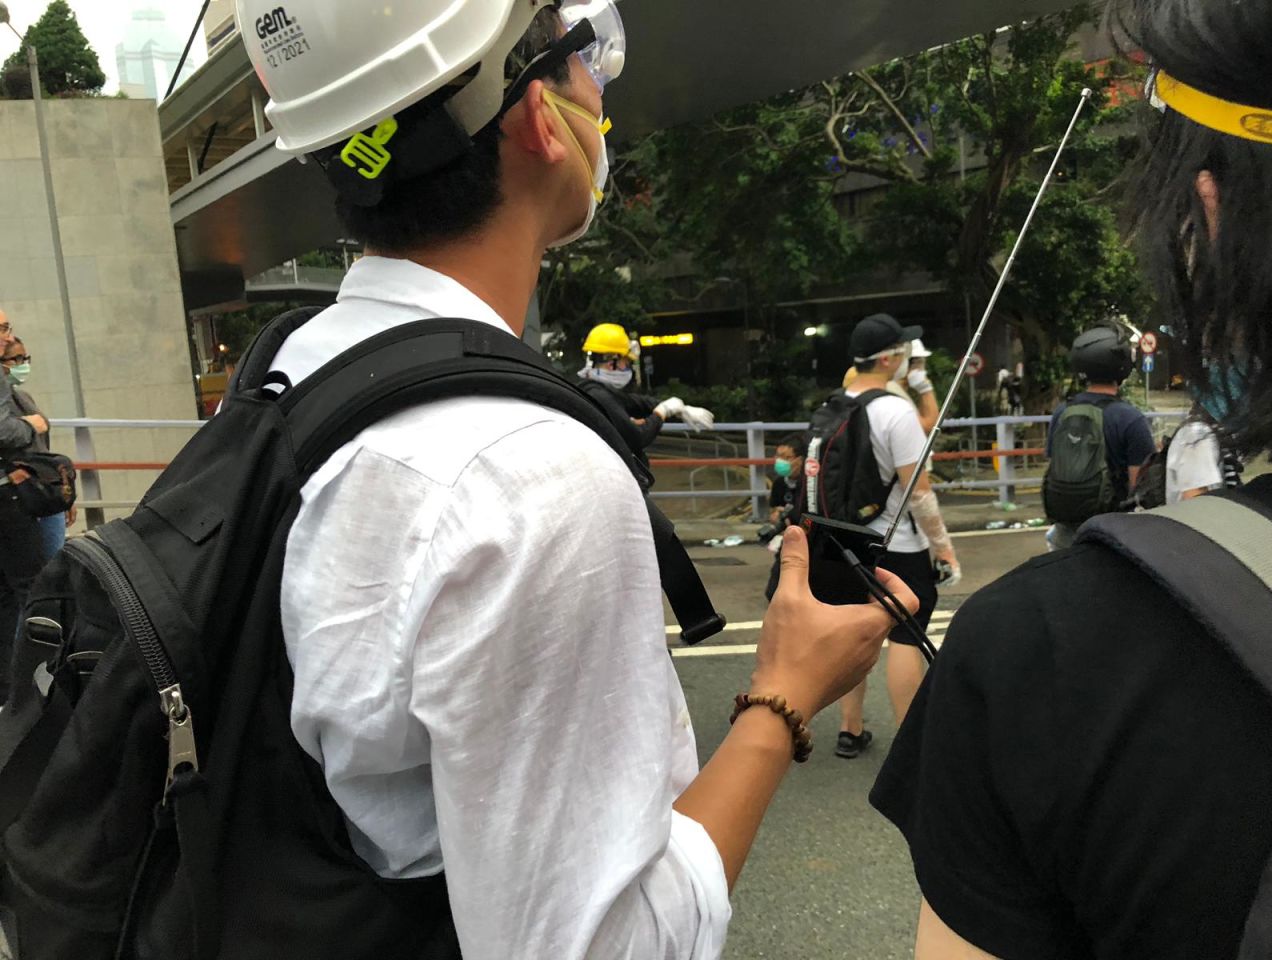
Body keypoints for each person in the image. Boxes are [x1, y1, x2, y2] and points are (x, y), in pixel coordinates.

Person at [237, 1, 918, 955]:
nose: (604, 92)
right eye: (589, 56)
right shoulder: (524, 477)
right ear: (532, 116)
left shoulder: (285, 370)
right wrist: (783, 698)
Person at [871, 0, 1272, 954]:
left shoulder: (1045, 648)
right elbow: (1141, 473)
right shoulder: (1132, 417)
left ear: (1208, 211)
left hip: (1120, 563)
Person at [825, 314, 961, 757]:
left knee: (856, 635)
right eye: (902, 351)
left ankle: (850, 729)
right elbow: (918, 493)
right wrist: (944, 550)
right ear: (888, 358)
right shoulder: (895, 412)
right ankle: (909, 743)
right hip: (896, 545)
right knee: (906, 635)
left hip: (844, 544)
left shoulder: (834, 405)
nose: (907, 357)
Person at [1042, 326, 1156, 550]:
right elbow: (1138, 486)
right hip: (1111, 533)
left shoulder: (1063, 411)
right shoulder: (1130, 418)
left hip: (1065, 531)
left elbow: (1055, 462)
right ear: (1122, 367)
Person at [0, 313, 51, 702]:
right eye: (2, 329)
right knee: (33, 589)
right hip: (9, 501)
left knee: (9, 595)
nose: (9, 336)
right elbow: (3, 430)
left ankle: (11, 689)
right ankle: (31, 684)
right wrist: (33, 424)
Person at [577, 321, 714, 455]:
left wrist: (680, 409)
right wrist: (662, 412)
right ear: (611, 361)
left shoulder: (594, 390)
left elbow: (634, 402)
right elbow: (637, 437)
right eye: (626, 362)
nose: (627, 368)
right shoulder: (599, 396)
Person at [1, 338, 76, 558]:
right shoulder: (5, 406)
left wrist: (64, 494)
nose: (22, 364)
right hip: (18, 495)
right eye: (15, 359)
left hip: (44, 489)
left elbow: (43, 449)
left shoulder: (24, 398)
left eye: (25, 358)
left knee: (53, 563)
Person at [762, 434, 807, 597]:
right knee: (773, 591)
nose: (781, 461)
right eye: (778, 456)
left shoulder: (810, 484)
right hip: (787, 542)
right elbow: (774, 510)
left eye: (786, 457)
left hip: (807, 541)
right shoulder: (780, 483)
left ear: (801, 459)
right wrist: (776, 515)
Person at [885, 339, 941, 434]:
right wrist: (925, 389)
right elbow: (930, 428)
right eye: (920, 362)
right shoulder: (893, 391)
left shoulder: (903, 391)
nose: (923, 369)